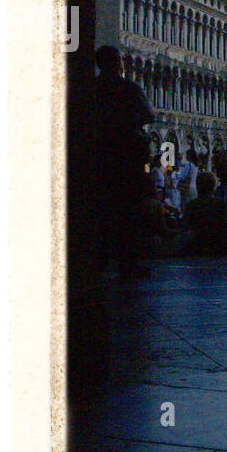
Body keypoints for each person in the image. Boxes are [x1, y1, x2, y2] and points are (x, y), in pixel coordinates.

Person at [94, 45, 154, 280]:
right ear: (118, 63)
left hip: (100, 157)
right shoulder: (128, 88)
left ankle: (98, 260)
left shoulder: (91, 88)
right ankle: (128, 263)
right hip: (127, 157)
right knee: (129, 212)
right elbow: (149, 115)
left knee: (102, 211)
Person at [182, 171, 226, 254]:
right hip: (217, 245)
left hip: (196, 245)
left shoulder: (191, 205)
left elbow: (185, 226)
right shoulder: (221, 204)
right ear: (214, 187)